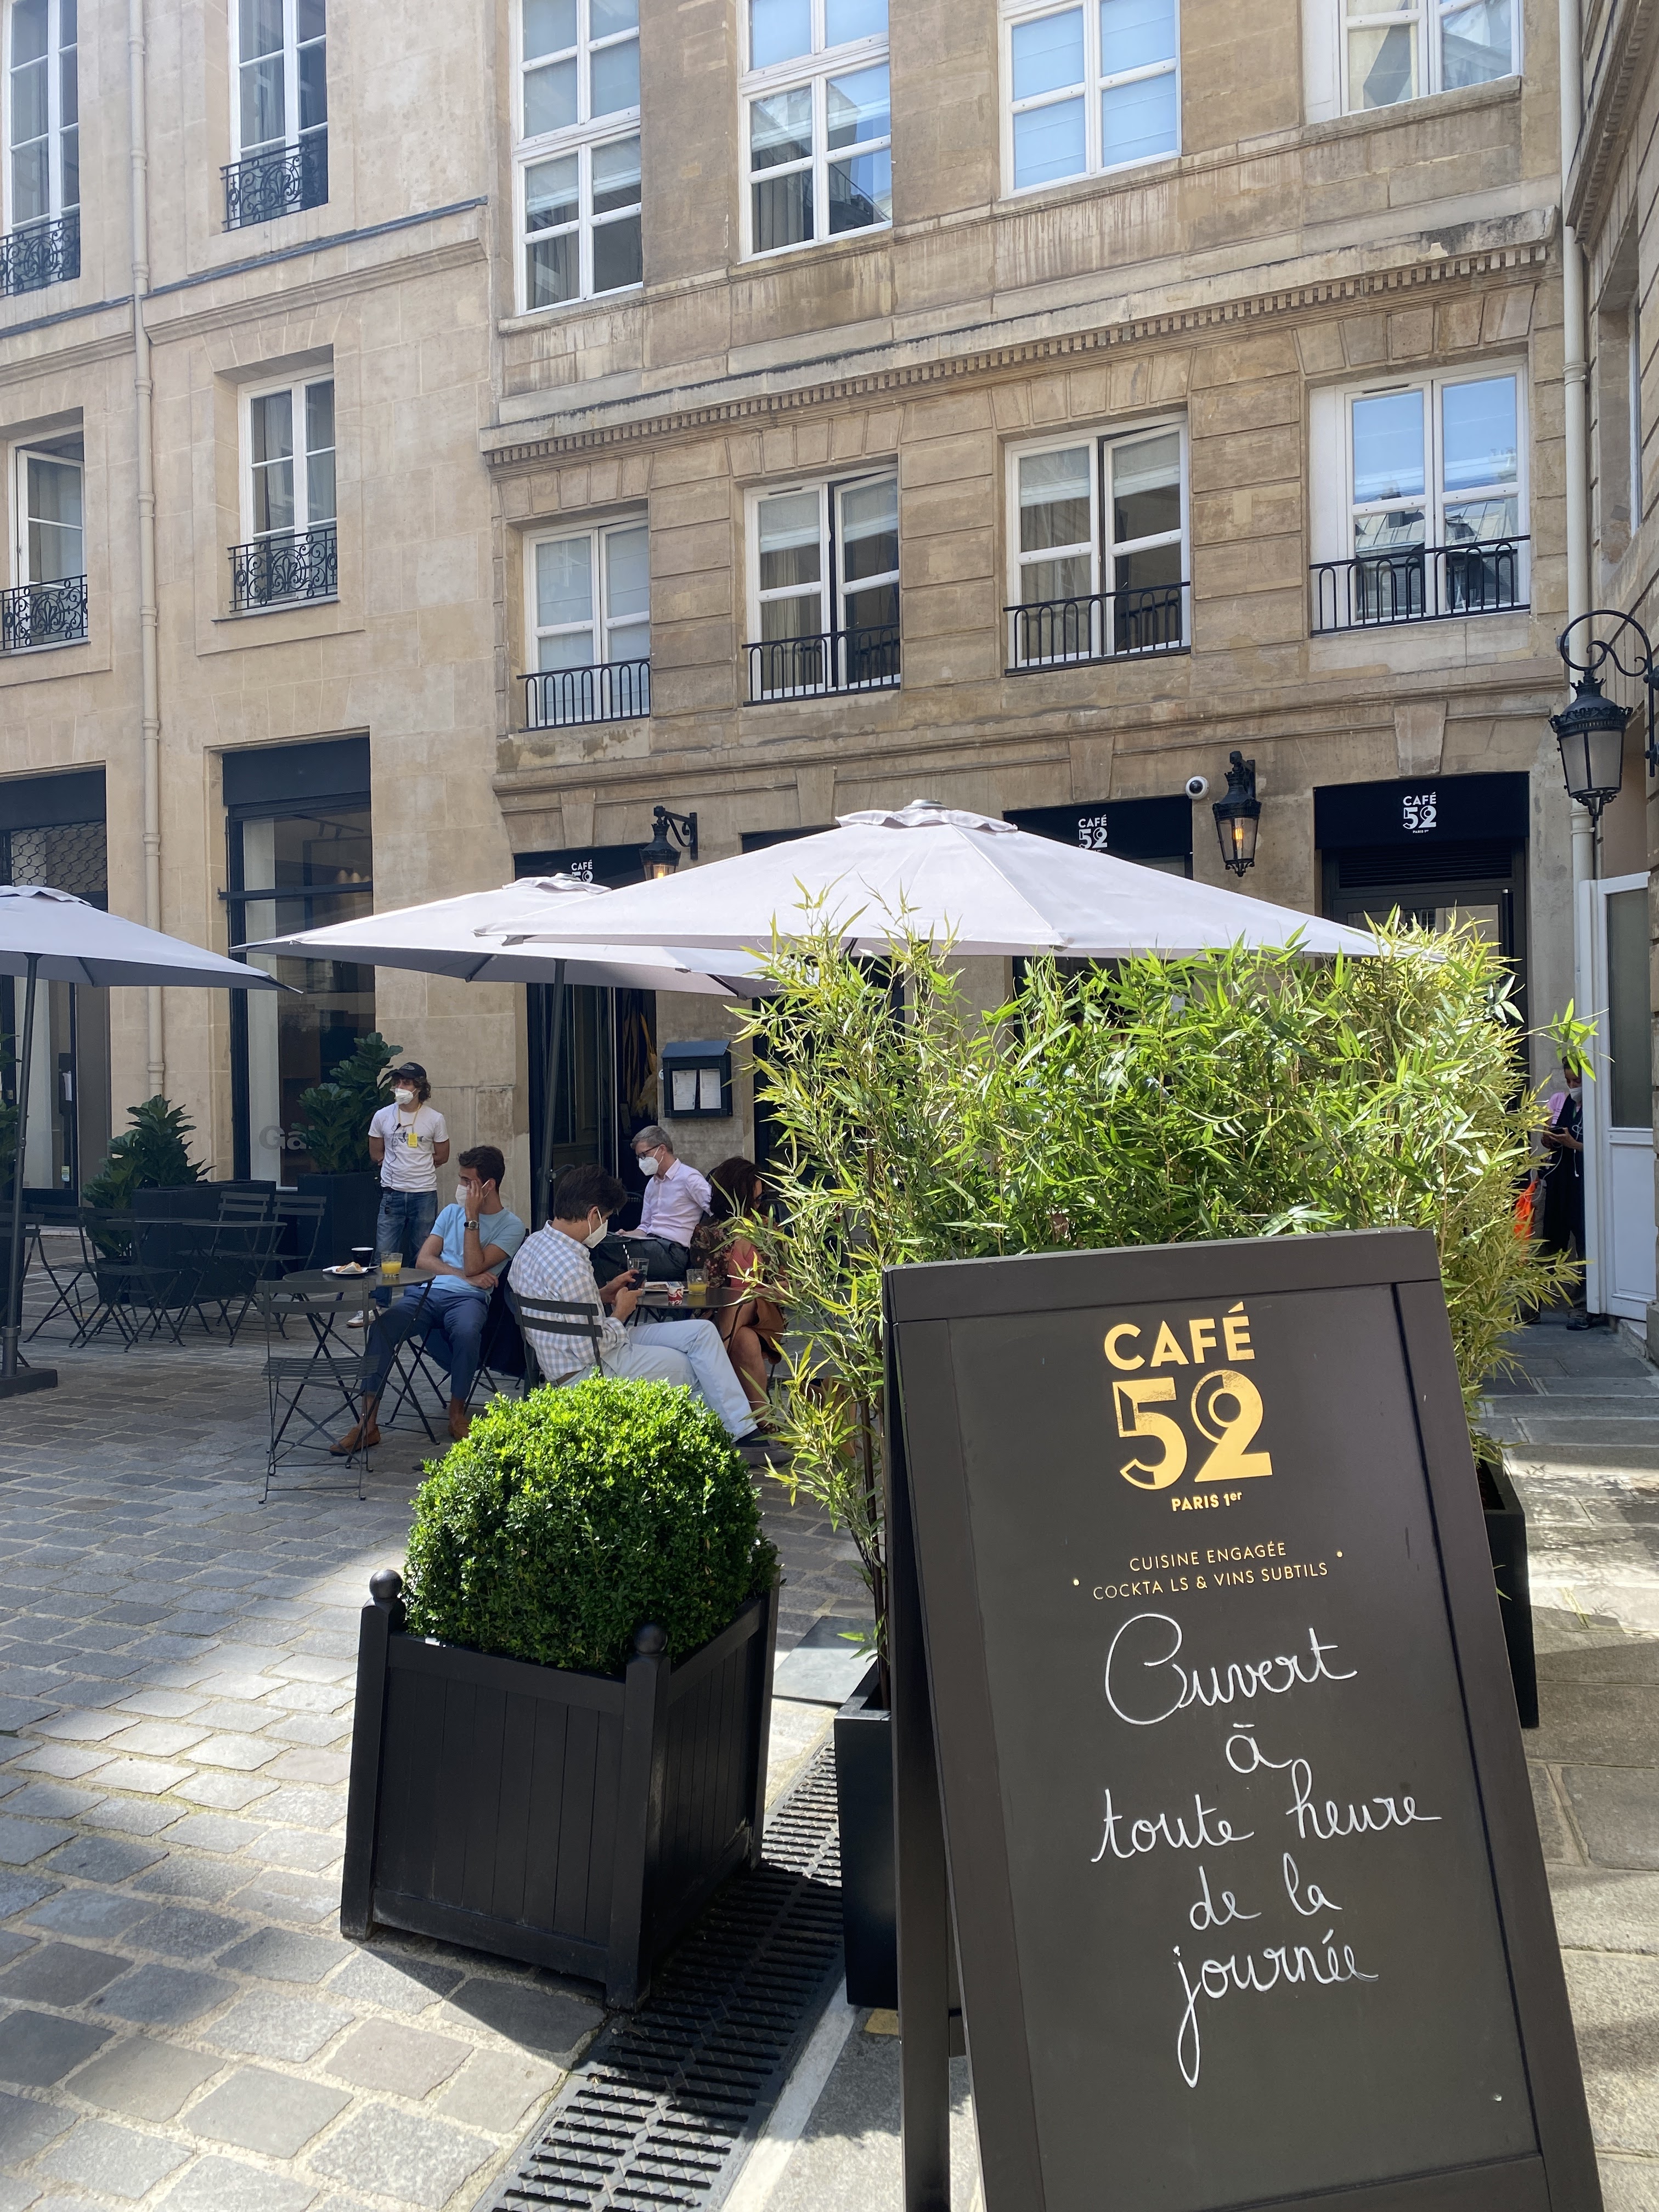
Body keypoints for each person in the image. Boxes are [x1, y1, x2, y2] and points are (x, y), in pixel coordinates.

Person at [509, 1162, 760, 1444]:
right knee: (692, 1366)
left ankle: (741, 1428)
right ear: (593, 1214)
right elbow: (591, 1350)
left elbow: (562, 1306)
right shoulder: (572, 1266)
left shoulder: (532, 1246)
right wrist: (621, 1312)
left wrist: (602, 1293)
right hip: (590, 1370)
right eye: (606, 1218)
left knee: (701, 1332)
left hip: (572, 1356)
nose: (605, 1226)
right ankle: (727, 1439)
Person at [334, 1146, 526, 1452]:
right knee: (382, 1328)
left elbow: (476, 1265)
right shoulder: (449, 1213)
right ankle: (367, 1425)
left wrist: (472, 1218)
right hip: (428, 1293)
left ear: (488, 1186)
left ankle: (457, 1414)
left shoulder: (511, 1226)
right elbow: (424, 1260)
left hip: (469, 1300)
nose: (461, 1187)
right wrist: (464, 1275)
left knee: (466, 1332)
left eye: (467, 1181)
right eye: (461, 1179)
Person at [702, 1156, 786, 1414]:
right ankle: (761, 1420)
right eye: (754, 1200)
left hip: (767, 1315)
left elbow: (788, 1283)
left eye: (761, 1200)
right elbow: (708, 1287)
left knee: (746, 1299)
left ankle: (716, 1362)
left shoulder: (770, 1231)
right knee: (745, 1341)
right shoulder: (709, 1234)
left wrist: (765, 1290)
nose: (758, 1206)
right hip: (721, 1314)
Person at [370, 1060, 449, 1269]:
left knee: (423, 1253)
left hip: (424, 1194)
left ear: (420, 1087)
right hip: (392, 1193)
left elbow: (442, 1155)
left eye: (406, 1083)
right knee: (384, 1253)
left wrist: (418, 1164)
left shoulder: (435, 1118)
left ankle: (420, 1291)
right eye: (398, 1082)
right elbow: (376, 1154)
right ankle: (383, 1292)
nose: (400, 1087)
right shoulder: (382, 1116)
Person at [1537, 1060, 1597, 1329]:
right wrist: (1549, 1138)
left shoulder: (1599, 1107)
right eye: (1569, 1081)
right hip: (1560, 1182)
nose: (1573, 1086)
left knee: (1586, 1247)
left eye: (1578, 1081)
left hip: (1586, 1186)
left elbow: (1603, 1149)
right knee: (1548, 1245)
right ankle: (1532, 1305)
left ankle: (1583, 1307)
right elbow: (1546, 1140)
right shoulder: (1560, 1102)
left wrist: (1575, 1144)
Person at [633, 1125, 710, 1260]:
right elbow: (645, 1226)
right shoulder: (652, 1184)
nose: (641, 1161)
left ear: (662, 1149)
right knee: (610, 1244)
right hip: (651, 1243)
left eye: (644, 1155)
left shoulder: (689, 1178)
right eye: (639, 1157)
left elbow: (716, 1209)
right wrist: (626, 1236)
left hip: (675, 1250)